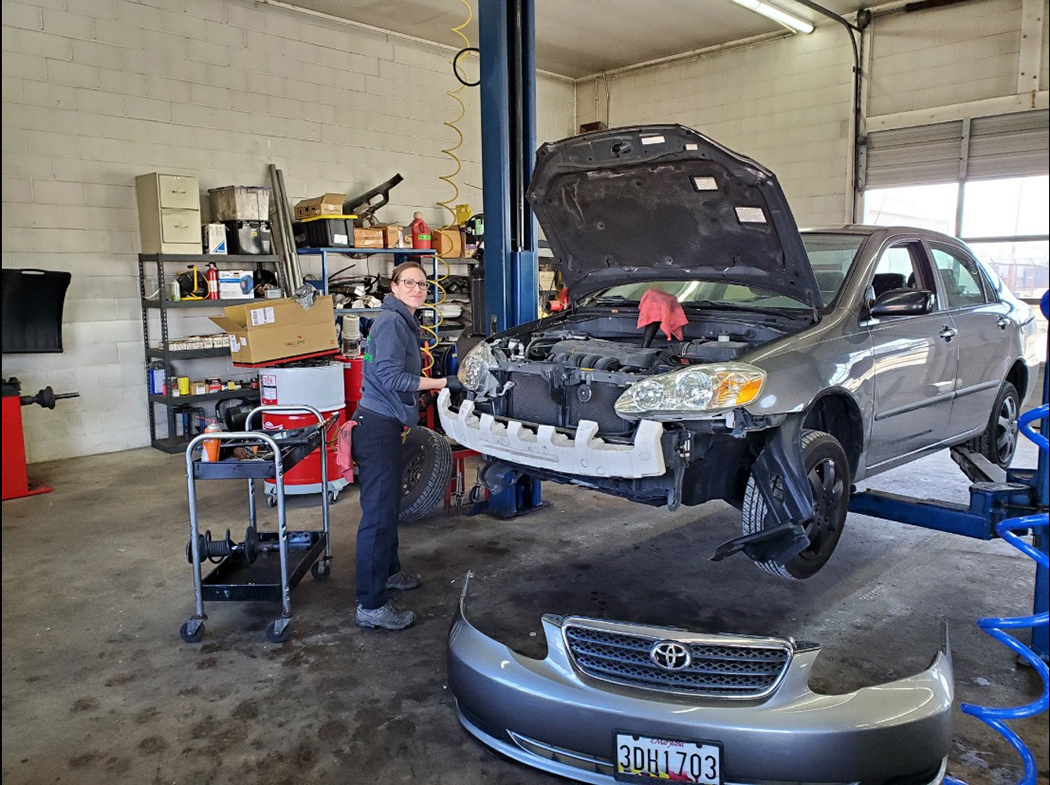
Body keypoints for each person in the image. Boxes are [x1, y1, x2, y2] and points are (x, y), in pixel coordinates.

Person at [352, 261, 463, 630]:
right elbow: (390, 376)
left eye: (422, 284)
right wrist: (443, 383)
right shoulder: (391, 323)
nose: (417, 288)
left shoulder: (401, 320)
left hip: (386, 423)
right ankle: (370, 605)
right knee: (377, 516)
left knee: (387, 508)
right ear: (394, 286)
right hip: (377, 427)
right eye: (409, 282)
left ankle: (389, 573)